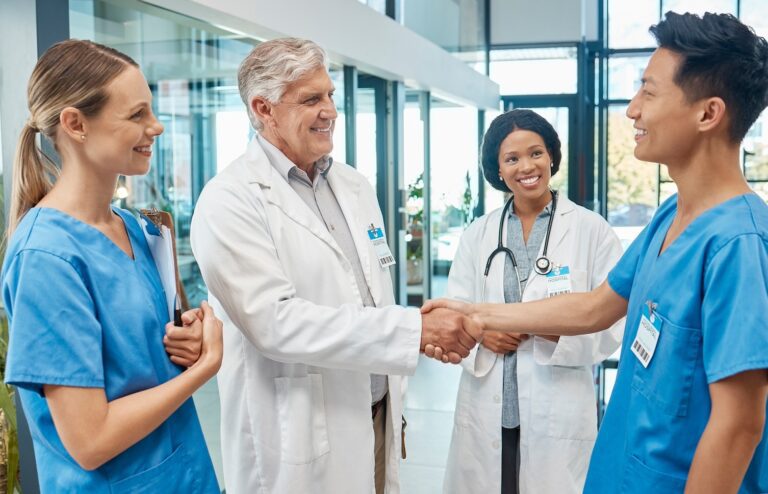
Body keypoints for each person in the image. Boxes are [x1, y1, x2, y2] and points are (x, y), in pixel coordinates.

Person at [424, 11, 768, 493]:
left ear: (708, 113)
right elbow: (594, 307)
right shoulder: (671, 217)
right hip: (620, 472)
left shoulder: (739, 244)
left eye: (648, 92)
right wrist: (472, 313)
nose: (632, 110)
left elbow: (740, 424)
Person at [190, 37, 480, 493]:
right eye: (311, 99)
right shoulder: (230, 200)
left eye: (330, 95)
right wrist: (415, 331)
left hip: (377, 417)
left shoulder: (353, 185)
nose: (330, 110)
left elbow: (370, 290)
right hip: (301, 435)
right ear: (264, 109)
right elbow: (275, 323)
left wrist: (412, 335)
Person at [2, 40, 223, 492]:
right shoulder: (46, 259)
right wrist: (204, 371)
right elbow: (90, 439)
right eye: (137, 114)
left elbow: (145, 357)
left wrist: (190, 339)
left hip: (186, 474)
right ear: (76, 124)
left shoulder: (135, 229)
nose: (156, 127)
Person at [441, 109, 624, 494]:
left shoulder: (591, 230)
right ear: (498, 168)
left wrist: (551, 329)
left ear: (552, 156)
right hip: (487, 403)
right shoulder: (478, 234)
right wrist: (482, 336)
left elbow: (614, 322)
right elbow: (455, 307)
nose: (527, 166)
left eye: (536, 153)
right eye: (512, 158)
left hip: (556, 407)